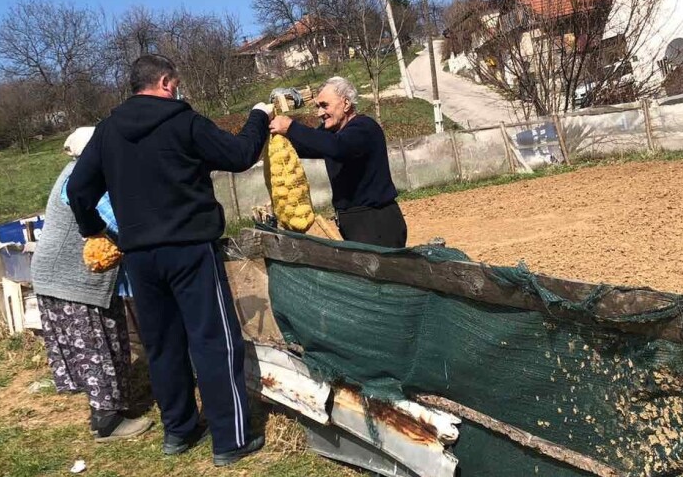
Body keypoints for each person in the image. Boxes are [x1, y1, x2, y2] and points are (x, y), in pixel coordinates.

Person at [66, 54, 273, 467]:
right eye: (175, 84)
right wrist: (258, 116)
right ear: (164, 82)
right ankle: (230, 438)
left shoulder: (108, 132)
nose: (177, 90)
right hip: (190, 249)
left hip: (140, 257)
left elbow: (77, 190)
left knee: (162, 345)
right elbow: (239, 155)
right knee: (213, 340)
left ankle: (178, 430)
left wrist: (98, 232)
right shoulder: (184, 122)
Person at [30, 128, 151, 442]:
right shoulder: (85, 179)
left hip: (63, 276)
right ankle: (107, 421)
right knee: (96, 345)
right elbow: (117, 222)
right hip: (70, 278)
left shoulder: (77, 173)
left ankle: (109, 411)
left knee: (104, 341)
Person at [269, 76, 408, 248]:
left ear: (346, 103)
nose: (320, 113)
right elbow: (309, 146)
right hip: (356, 224)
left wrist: (291, 127)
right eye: (318, 107)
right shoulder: (332, 133)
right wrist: (276, 138)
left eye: (324, 105)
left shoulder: (363, 128)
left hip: (376, 223)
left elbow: (338, 148)